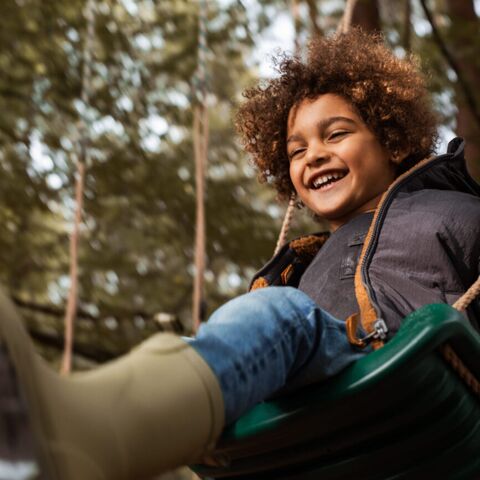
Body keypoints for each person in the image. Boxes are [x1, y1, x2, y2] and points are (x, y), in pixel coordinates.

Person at [0, 29, 479, 480]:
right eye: (296, 151)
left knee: (282, 316)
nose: (312, 155)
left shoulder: (448, 211)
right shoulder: (299, 266)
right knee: (255, 321)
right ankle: (89, 434)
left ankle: (96, 435)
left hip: (403, 372)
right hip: (311, 416)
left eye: (335, 135)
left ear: (391, 139)